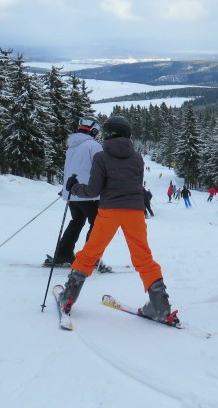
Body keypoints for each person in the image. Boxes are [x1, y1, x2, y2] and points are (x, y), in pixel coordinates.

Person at [56, 115, 178, 325]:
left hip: (109, 211)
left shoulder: (101, 157)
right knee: (143, 257)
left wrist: (73, 186)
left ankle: (68, 298)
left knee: (90, 253)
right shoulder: (138, 158)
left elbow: (93, 190)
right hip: (135, 212)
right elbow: (135, 185)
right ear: (128, 134)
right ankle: (160, 306)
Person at [44, 116, 102, 267]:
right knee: (97, 224)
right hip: (89, 193)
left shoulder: (72, 146)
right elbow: (101, 168)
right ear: (94, 130)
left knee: (76, 222)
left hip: (72, 193)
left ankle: (63, 254)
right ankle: (90, 258)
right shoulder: (93, 145)